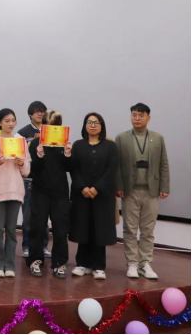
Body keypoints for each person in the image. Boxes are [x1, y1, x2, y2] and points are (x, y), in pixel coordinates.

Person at [115, 103, 170, 280]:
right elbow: (117, 165)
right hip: (130, 191)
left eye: (140, 115)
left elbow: (163, 163)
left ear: (148, 117)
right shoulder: (122, 138)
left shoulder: (158, 138)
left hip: (151, 191)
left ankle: (145, 263)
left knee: (147, 230)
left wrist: (164, 187)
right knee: (130, 229)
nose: (137, 118)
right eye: (134, 115)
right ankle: (132, 263)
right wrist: (118, 185)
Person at [70, 113, 119, 280]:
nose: (93, 125)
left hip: (102, 195)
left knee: (100, 229)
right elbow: (74, 169)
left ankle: (99, 266)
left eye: (96, 122)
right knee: (83, 228)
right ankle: (82, 264)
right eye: (89, 122)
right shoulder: (78, 145)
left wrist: (97, 188)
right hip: (81, 194)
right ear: (84, 125)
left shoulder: (110, 146)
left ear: (102, 125)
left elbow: (111, 170)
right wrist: (83, 187)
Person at [26, 110, 73, 279]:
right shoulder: (36, 142)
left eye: (55, 126)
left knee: (60, 229)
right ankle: (35, 260)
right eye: (48, 125)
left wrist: (68, 154)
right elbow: (32, 170)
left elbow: (69, 168)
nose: (51, 128)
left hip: (60, 192)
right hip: (40, 190)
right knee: (38, 227)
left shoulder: (64, 143)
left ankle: (59, 263)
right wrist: (39, 155)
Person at [0, 109, 31, 278]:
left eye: (13, 120)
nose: (11, 124)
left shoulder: (20, 140)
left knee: (11, 230)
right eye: (7, 120)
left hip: (15, 190)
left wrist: (21, 163)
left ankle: (10, 265)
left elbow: (27, 170)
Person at [17, 101, 50, 259]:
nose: (40, 114)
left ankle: (43, 246)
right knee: (28, 215)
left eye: (42, 111)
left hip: (45, 178)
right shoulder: (23, 132)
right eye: (36, 111)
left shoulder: (50, 130)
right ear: (30, 114)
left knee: (44, 216)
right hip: (28, 179)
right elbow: (19, 154)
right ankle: (27, 246)